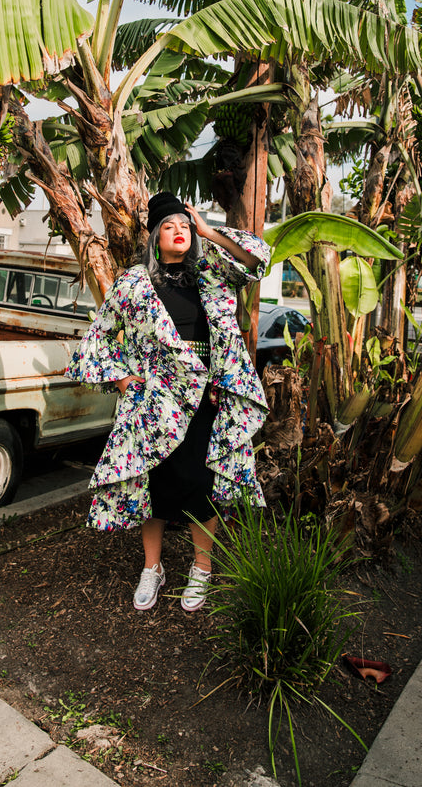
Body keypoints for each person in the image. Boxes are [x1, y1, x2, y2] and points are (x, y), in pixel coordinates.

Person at [66, 192, 270, 612]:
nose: (178, 232)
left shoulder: (211, 273)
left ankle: (202, 569)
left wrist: (210, 230)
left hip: (205, 397)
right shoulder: (134, 283)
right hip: (153, 401)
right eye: (168, 226)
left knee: (201, 484)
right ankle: (152, 569)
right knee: (153, 484)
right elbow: (95, 340)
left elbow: (256, 258)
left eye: (184, 225)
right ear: (155, 237)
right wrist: (123, 379)